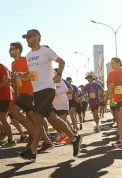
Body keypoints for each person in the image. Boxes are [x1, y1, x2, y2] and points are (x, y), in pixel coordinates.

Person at [15, 29, 82, 162]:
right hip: (37, 90)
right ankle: (74, 138)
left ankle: (33, 151)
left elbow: (61, 62)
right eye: (26, 38)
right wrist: (23, 76)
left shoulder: (45, 51)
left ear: (37, 37)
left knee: (37, 118)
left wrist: (58, 75)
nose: (27, 39)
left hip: (47, 89)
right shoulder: (28, 56)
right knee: (52, 118)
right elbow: (32, 73)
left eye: (29, 37)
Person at [9, 41, 40, 147]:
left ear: (18, 50)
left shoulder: (26, 60)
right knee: (31, 117)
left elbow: (34, 74)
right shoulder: (13, 64)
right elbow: (17, 79)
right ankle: (46, 141)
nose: (9, 51)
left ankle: (32, 135)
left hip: (29, 91)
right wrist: (10, 80)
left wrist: (26, 75)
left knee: (14, 111)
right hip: (22, 92)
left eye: (11, 49)